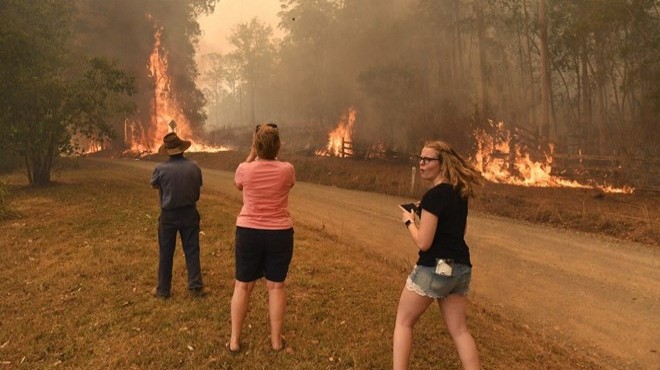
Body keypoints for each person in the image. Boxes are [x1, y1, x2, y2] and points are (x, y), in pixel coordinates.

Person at [393, 140, 483, 370]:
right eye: (420, 159)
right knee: (460, 330)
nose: (421, 163)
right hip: (460, 269)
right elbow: (459, 232)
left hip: (434, 268)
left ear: (441, 164)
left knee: (404, 322)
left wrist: (408, 221)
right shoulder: (459, 194)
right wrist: (425, 211)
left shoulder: (434, 197)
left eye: (427, 159)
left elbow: (424, 243)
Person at [227, 123, 295, 353]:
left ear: (255, 146)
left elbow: (238, 185)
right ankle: (276, 342)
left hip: (248, 232)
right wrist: (272, 153)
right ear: (278, 146)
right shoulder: (287, 169)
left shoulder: (244, 169)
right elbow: (288, 182)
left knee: (243, 285)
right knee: (276, 287)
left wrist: (252, 154)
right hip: (279, 233)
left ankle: (235, 341)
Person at [150, 132, 204, 299]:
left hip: (169, 215)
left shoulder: (160, 169)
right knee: (192, 249)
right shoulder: (194, 167)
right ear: (182, 149)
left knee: (166, 251)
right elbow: (198, 186)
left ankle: (163, 290)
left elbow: (155, 185)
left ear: (167, 151)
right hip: (189, 212)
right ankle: (195, 287)